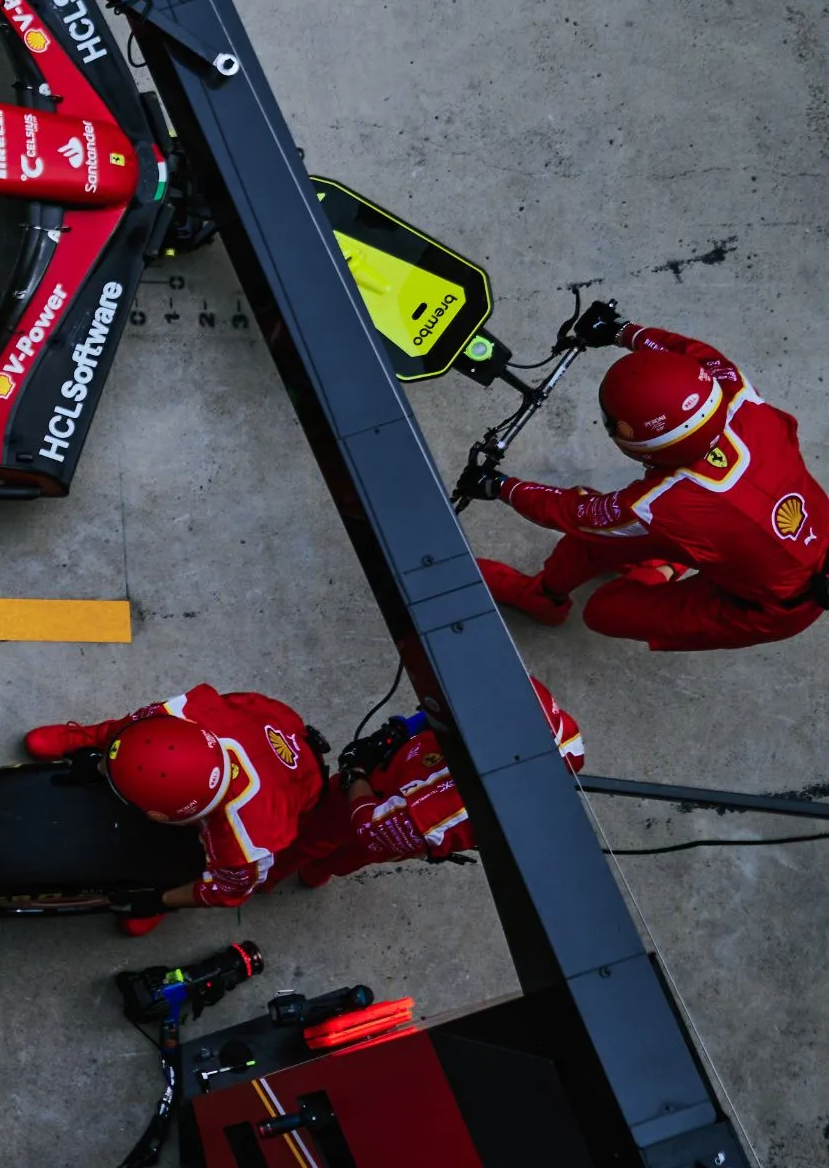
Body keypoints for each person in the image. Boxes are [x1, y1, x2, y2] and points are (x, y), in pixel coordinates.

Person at [481, 325, 826, 650]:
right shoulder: (744, 403)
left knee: (603, 608)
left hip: (764, 608)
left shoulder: (659, 505)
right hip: (781, 552)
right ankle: (552, 591)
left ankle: (657, 568)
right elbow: (702, 357)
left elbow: (574, 513)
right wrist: (622, 331)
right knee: (606, 534)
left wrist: (501, 486)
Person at [21, 685, 327, 931]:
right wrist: (99, 754)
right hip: (267, 717)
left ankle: (166, 888)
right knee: (129, 730)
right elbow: (130, 732)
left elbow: (223, 892)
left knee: (195, 862)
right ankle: (82, 736)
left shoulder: (248, 844)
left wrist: (161, 900)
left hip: (302, 782)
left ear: (167, 819)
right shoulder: (179, 715)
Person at [292, 678, 584, 887]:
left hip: (384, 809)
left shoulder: (440, 813)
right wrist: (405, 729)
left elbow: (371, 829)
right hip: (409, 772)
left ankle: (302, 871)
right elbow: (451, 703)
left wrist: (354, 772)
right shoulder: (520, 696)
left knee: (324, 844)